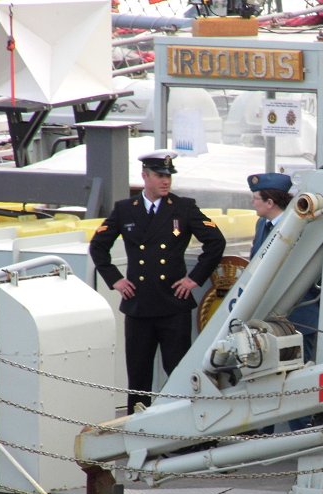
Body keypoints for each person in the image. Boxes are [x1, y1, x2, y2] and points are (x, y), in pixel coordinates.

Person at [90, 150, 226, 412]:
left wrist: (193, 280)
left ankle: (182, 427)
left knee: (178, 372)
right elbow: (98, 247)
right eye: (160, 175)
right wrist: (115, 280)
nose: (166, 181)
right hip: (138, 305)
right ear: (145, 176)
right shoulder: (125, 209)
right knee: (138, 375)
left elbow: (215, 242)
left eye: (168, 176)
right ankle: (138, 430)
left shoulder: (183, 208)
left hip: (173, 304)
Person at [247, 172, 319, 364]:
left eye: (255, 198)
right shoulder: (262, 224)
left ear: (269, 203)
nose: (252, 202)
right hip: (268, 317)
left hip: (299, 316)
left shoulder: (299, 227)